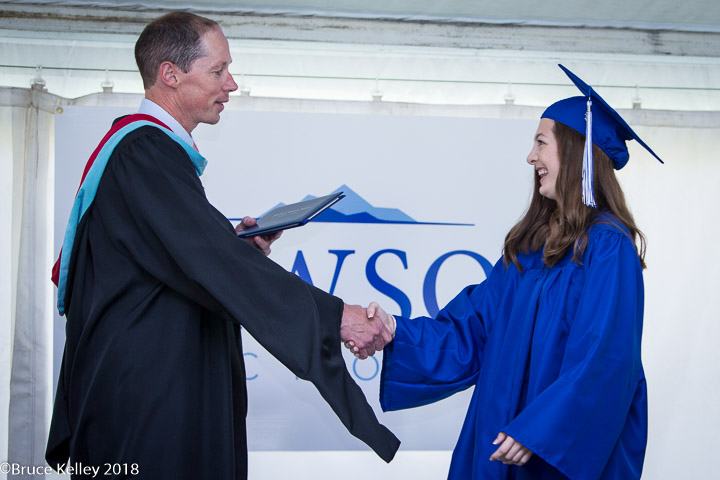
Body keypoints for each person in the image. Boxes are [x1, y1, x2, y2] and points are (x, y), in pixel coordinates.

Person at [46, 11, 397, 479]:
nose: (231, 84)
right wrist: (336, 316)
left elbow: (183, 260)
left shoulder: (147, 154)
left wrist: (234, 247)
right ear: (170, 74)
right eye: (218, 71)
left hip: (155, 388)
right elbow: (209, 263)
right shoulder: (142, 152)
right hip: (148, 405)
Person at [351, 65, 662, 479]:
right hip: (499, 443)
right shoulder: (531, 250)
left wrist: (540, 430)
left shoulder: (606, 248)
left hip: (551, 454)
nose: (530, 157)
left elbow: (606, 358)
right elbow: (470, 331)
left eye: (541, 143)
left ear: (576, 151)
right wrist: (396, 330)